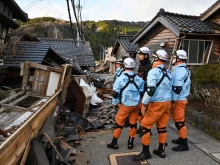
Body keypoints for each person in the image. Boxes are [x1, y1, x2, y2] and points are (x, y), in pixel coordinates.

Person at [133, 50, 172, 161]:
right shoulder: (169, 72)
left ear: (155, 58)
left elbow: (150, 90)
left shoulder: (153, 72)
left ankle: (146, 153)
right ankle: (161, 150)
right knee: (162, 127)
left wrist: (144, 104)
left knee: (145, 126)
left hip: (157, 103)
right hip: (167, 102)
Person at [107, 57, 144, 150]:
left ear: (124, 66)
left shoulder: (120, 79)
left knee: (119, 123)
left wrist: (114, 103)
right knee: (133, 123)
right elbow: (142, 92)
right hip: (136, 105)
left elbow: (115, 94)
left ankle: (114, 142)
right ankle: (130, 143)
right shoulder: (139, 79)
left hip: (124, 105)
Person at [171, 50, 191, 151]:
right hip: (179, 98)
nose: (173, 58)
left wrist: (173, 101)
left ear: (179, 58)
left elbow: (177, 88)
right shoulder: (181, 68)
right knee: (177, 120)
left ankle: (184, 143)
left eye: (175, 57)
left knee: (180, 121)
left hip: (179, 99)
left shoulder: (181, 70)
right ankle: (181, 138)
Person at [136, 47, 152, 134]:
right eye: (139, 54)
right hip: (140, 91)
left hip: (146, 92)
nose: (139, 56)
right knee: (140, 111)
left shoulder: (150, 66)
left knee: (145, 111)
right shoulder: (141, 65)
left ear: (146, 55)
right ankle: (141, 126)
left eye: (141, 55)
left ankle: (146, 128)